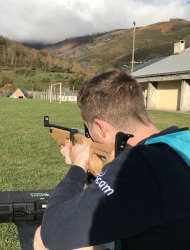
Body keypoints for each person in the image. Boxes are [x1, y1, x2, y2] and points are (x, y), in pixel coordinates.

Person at [33, 71, 190, 250]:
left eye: (89, 130)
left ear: (100, 127)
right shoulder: (180, 142)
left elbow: (52, 230)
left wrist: (78, 167)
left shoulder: (140, 165)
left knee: (41, 238)